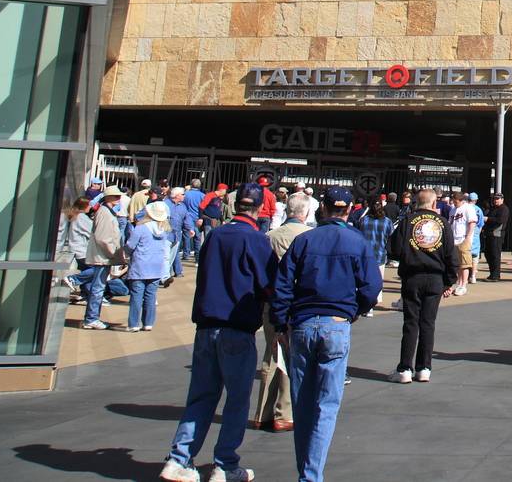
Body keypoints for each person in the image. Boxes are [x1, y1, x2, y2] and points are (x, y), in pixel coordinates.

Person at [158, 184, 275, 482]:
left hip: (207, 324)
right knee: (236, 399)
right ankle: (225, 464)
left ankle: (179, 458)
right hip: (237, 326)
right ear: (260, 208)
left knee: (200, 396)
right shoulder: (257, 240)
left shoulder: (215, 236)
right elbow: (270, 284)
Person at [271, 186, 381, 482]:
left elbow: (282, 284)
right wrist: (354, 310)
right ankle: (311, 474)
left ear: (323, 209)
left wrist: (281, 323)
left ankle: (306, 471)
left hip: (304, 322)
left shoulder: (304, 240)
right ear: (349, 210)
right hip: (336, 322)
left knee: (302, 401)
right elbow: (372, 286)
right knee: (326, 404)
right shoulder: (357, 242)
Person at [387, 188, 458, 383]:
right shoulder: (443, 224)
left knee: (411, 323)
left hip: (412, 276)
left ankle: (405, 369)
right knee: (428, 323)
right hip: (435, 277)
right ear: (434, 204)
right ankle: (424, 367)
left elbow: (394, 249)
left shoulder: (407, 221)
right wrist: (449, 281)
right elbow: (451, 254)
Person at [254, 195, 311, 433]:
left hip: (272, 301)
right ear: (306, 213)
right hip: (298, 303)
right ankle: (284, 412)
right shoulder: (309, 237)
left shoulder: (269, 236)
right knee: (292, 355)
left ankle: (262, 413)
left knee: (270, 354)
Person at [82, 184, 129, 330]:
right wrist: (113, 254)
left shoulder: (106, 211)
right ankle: (91, 319)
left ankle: (92, 318)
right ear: (107, 197)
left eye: (119, 196)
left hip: (104, 256)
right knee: (98, 288)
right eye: (116, 196)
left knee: (98, 287)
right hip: (102, 257)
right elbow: (103, 238)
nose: (118, 198)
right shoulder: (104, 212)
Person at [125, 202, 175, 332]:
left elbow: (130, 245)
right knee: (151, 295)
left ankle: (133, 324)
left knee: (136, 295)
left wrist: (125, 254)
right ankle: (148, 323)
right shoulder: (164, 229)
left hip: (140, 265)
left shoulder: (141, 228)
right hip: (156, 266)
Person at [359, 197, 395, 310]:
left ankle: (366, 302)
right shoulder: (387, 222)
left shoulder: (364, 220)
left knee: (364, 279)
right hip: (380, 254)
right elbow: (392, 237)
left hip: (365, 254)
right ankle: (375, 301)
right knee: (378, 279)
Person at [448, 191, 479, 295]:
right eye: (453, 201)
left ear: (461, 200)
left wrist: (468, 237)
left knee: (464, 264)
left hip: (463, 239)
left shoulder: (468, 208)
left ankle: (463, 285)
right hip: (454, 239)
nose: (454, 203)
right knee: (457, 264)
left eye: (456, 202)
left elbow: (472, 222)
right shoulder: (453, 210)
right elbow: (450, 223)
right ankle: (459, 283)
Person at [482, 193, 508, 280]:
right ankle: (492, 273)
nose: (495, 200)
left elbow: (500, 220)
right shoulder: (493, 208)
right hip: (489, 234)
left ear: (502, 199)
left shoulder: (504, 209)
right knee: (488, 254)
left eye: (497, 199)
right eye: (494, 199)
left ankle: (496, 275)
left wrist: (488, 219)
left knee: (495, 255)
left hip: (497, 234)